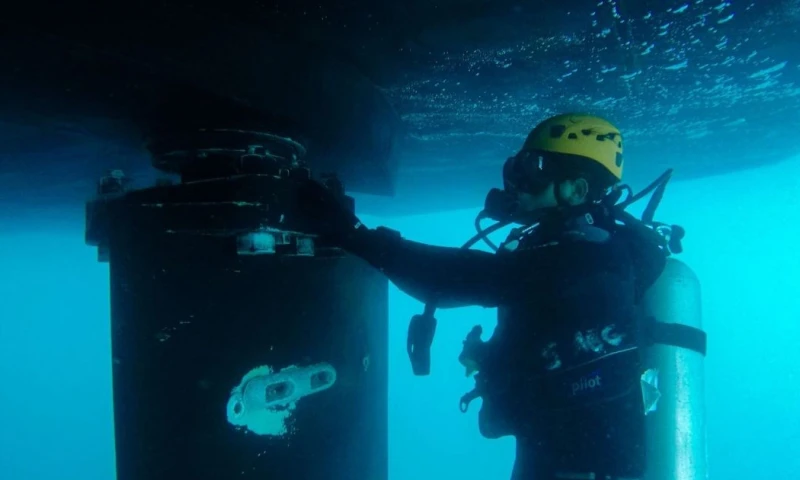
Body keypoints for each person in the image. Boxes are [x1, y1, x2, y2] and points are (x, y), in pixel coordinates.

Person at [295, 113, 685, 479]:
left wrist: (353, 234)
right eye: (518, 167)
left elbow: (450, 279)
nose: (517, 183)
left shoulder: (585, 260)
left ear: (577, 189)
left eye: (533, 171)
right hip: (567, 455)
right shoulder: (595, 249)